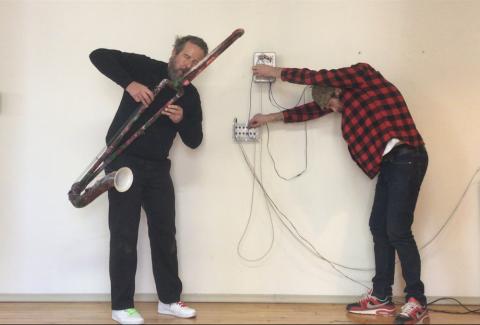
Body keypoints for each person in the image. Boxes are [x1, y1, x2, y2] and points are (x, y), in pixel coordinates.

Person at [249, 63, 429, 324]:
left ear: (336, 89)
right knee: (379, 227)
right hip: (391, 163)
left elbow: (318, 77)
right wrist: (269, 118)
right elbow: (308, 111)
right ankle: (381, 297)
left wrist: (275, 72)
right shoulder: (341, 101)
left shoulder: (364, 77)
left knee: (398, 231)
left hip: (408, 156)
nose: (333, 110)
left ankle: (417, 300)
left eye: (332, 104)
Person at [89, 35, 208, 325]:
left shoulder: (190, 95)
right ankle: (121, 306)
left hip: (158, 168)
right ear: (174, 53)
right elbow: (99, 54)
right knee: (124, 233)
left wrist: (182, 120)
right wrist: (129, 84)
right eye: (185, 56)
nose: (188, 64)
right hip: (122, 161)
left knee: (165, 234)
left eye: (195, 61)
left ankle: (168, 300)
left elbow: (195, 141)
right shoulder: (146, 68)